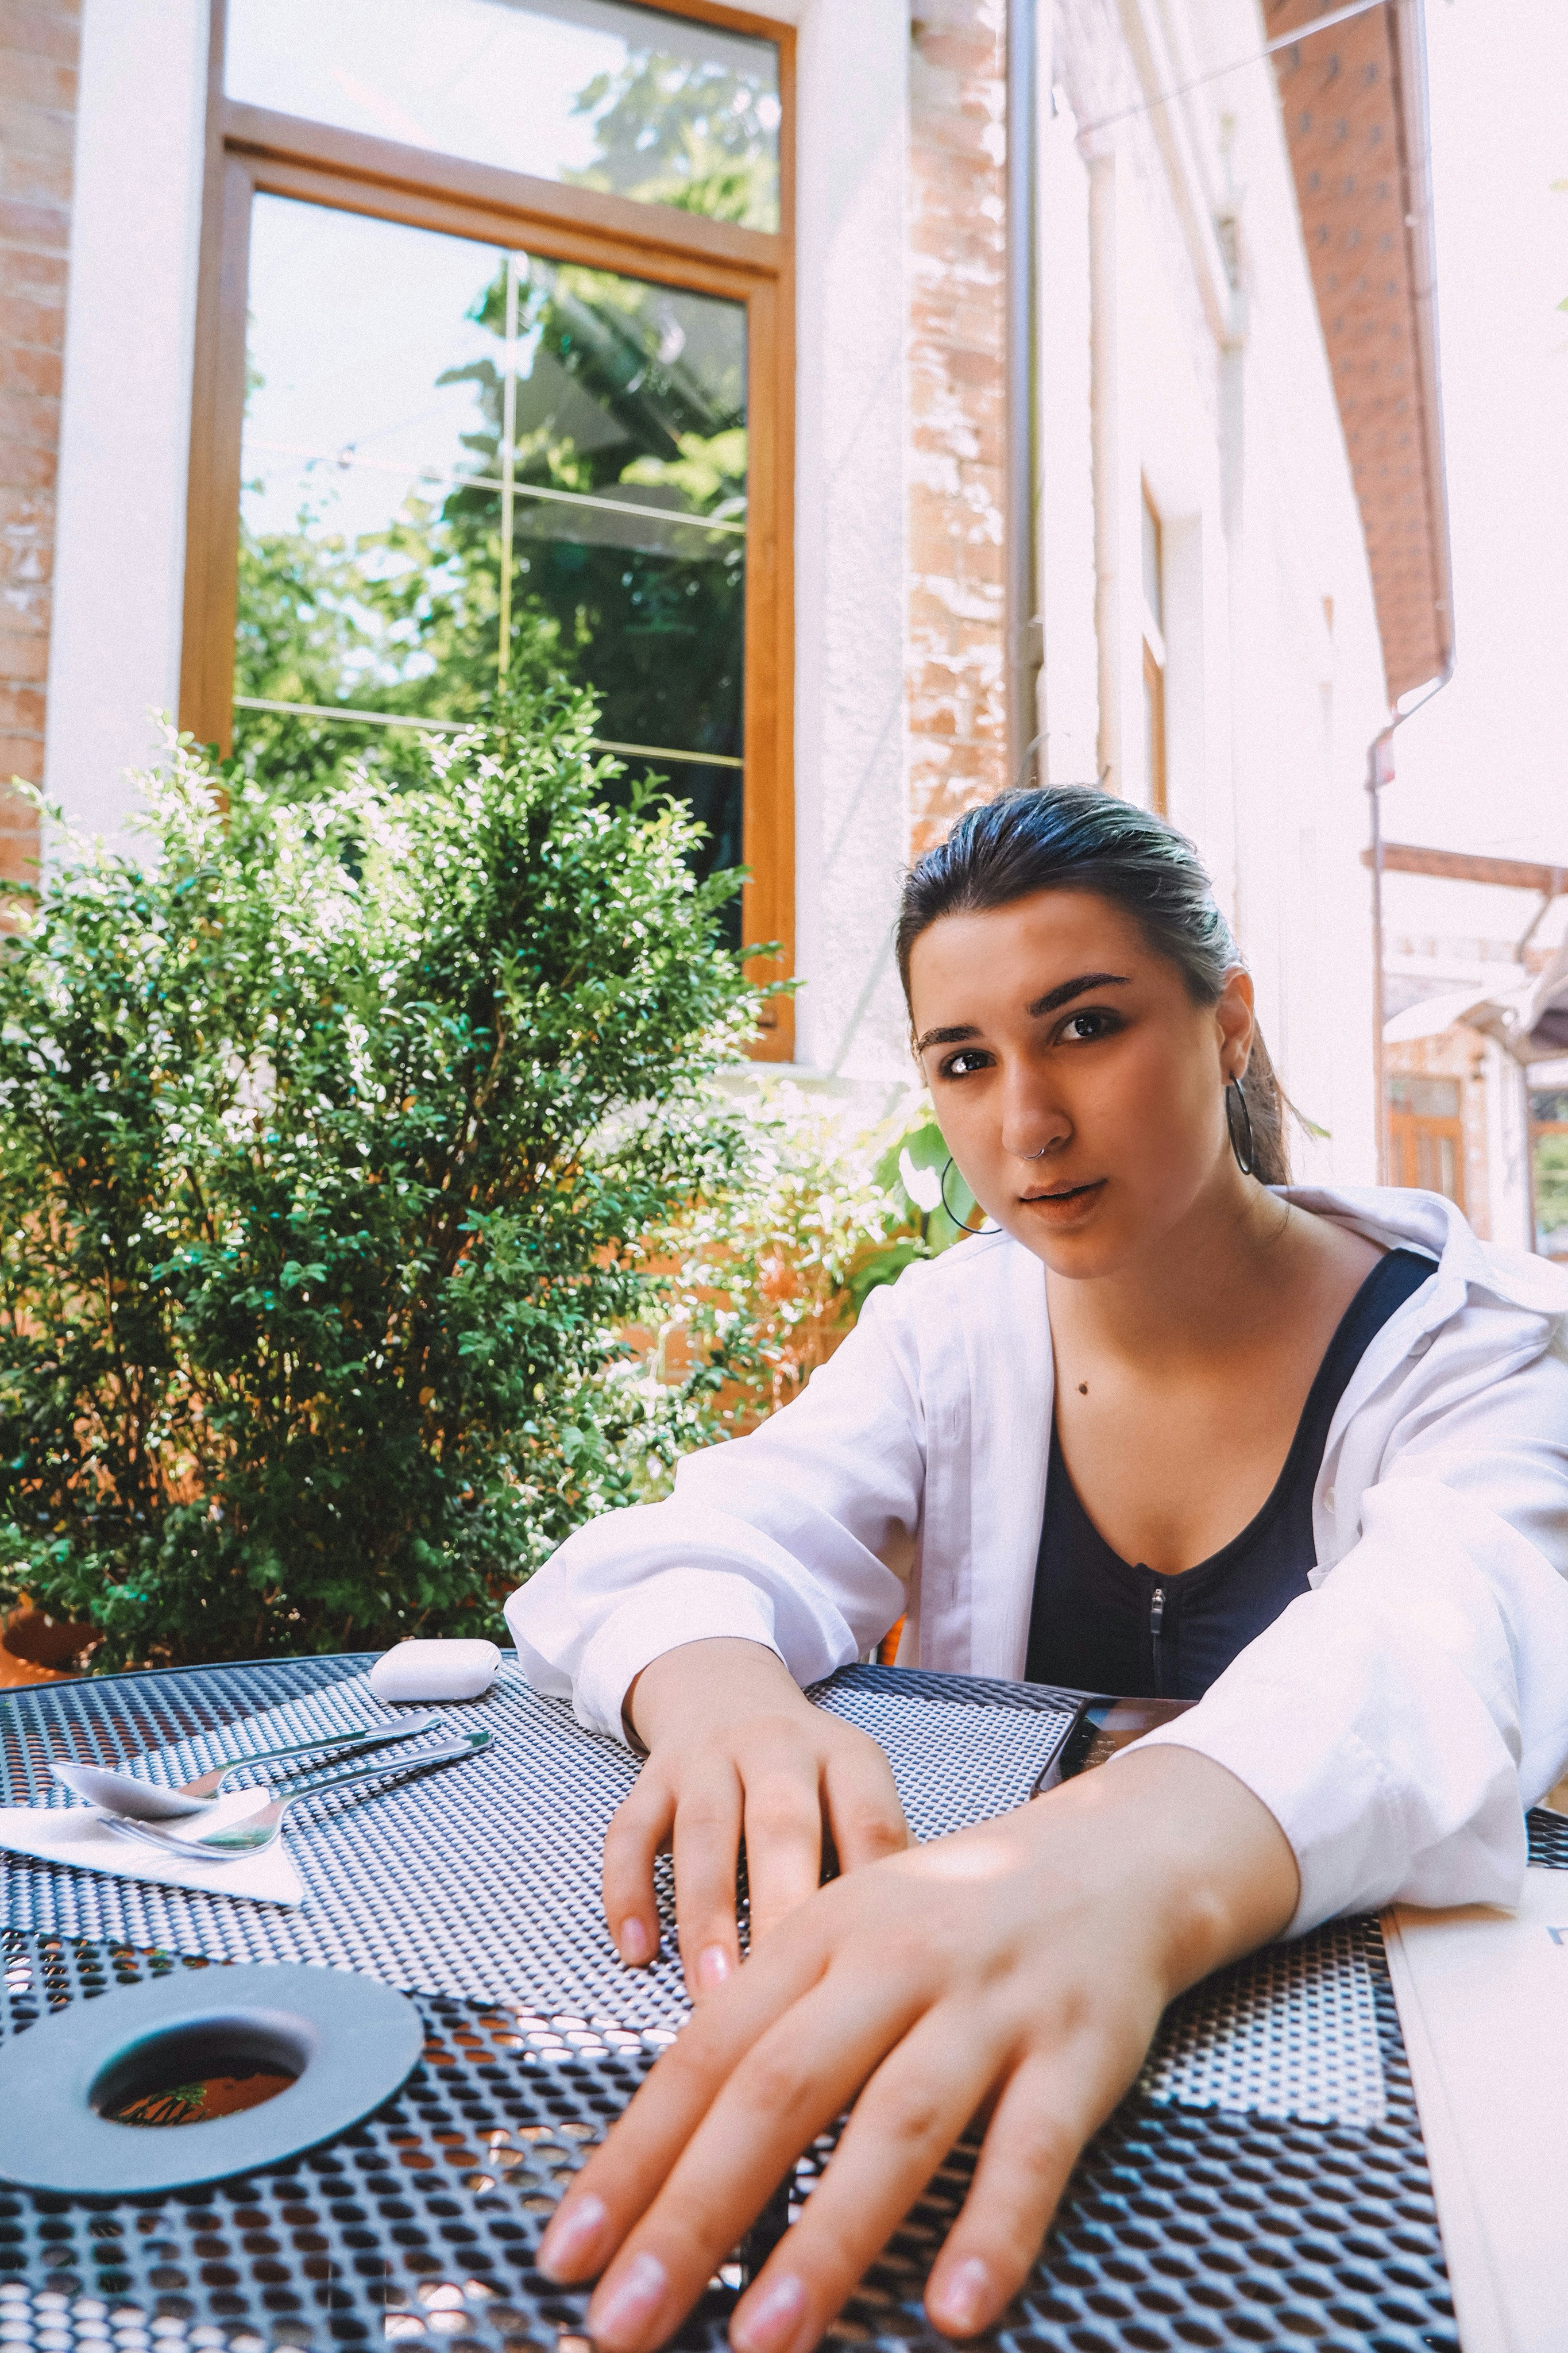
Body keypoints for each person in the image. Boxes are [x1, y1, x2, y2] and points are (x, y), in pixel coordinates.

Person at [507, 786, 1568, 2353]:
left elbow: (1446, 1634)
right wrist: (729, 1700)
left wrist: (1109, 1868)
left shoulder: (1485, 1356)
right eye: (964, 1059)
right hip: (984, 2057)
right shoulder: (949, 1330)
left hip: (1373, 2122)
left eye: (1082, 1026)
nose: (1026, 1124)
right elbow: (685, 1543)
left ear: (1225, 1026)